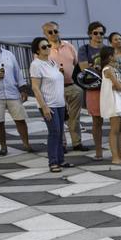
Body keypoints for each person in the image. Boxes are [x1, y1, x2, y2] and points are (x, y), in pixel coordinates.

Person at [40, 22, 85, 153]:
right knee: (59, 118)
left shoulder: (69, 46)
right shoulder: (44, 49)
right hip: (55, 89)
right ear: (45, 34)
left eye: (55, 31)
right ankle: (62, 144)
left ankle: (77, 143)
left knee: (74, 117)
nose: (54, 34)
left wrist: (79, 83)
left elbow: (77, 64)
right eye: (50, 32)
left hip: (72, 85)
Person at [29, 37, 70, 172]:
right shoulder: (36, 65)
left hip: (59, 103)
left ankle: (61, 160)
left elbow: (59, 83)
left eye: (48, 45)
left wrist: (65, 102)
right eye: (44, 47)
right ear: (37, 50)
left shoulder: (52, 62)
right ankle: (53, 162)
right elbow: (35, 88)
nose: (48, 48)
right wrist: (44, 106)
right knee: (54, 132)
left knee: (60, 132)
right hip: (49, 104)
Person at [77, 23, 108, 160]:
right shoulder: (84, 49)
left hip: (108, 87)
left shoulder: (107, 49)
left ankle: (119, 148)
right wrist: (97, 67)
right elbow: (84, 68)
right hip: (94, 88)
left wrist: (95, 67)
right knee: (97, 121)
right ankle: (98, 150)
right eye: (95, 33)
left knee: (117, 119)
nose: (99, 36)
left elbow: (113, 65)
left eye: (101, 33)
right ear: (90, 34)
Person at [96, 45, 121, 166]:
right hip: (113, 102)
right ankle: (115, 157)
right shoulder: (108, 70)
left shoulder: (113, 69)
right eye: (114, 54)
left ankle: (120, 154)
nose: (117, 55)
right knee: (114, 130)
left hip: (119, 100)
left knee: (119, 129)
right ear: (110, 57)